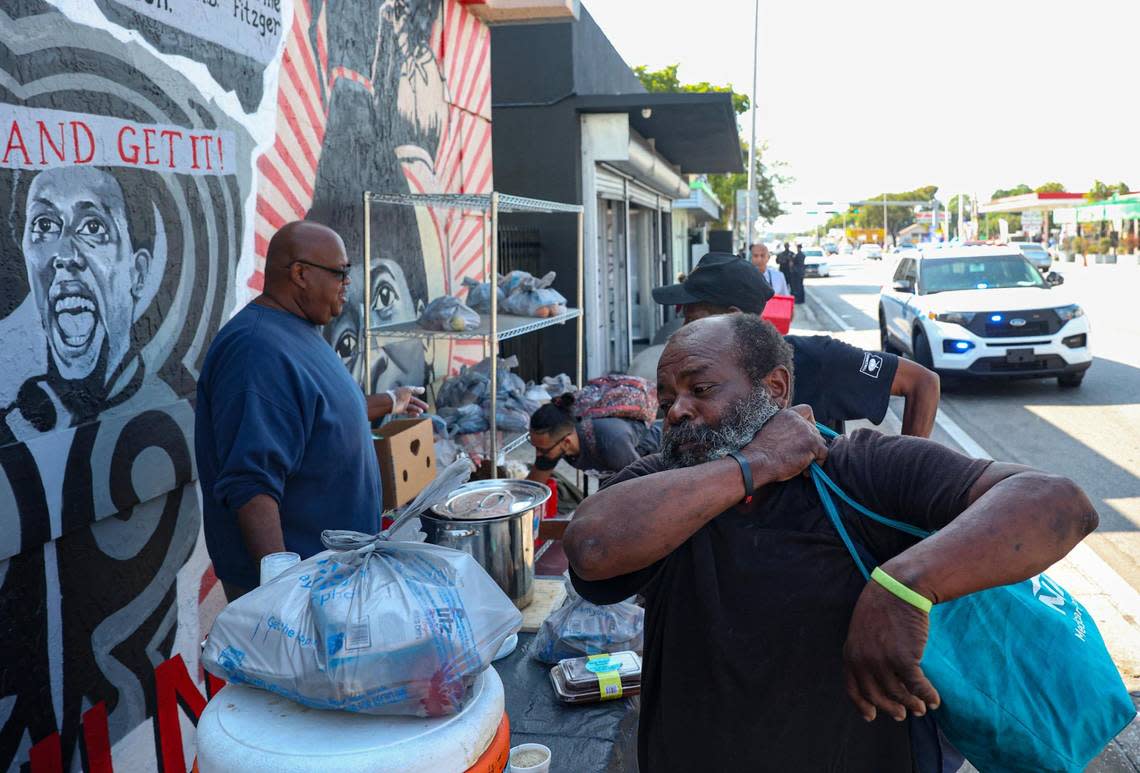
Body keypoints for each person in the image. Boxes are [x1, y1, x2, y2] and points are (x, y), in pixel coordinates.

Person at [564, 313, 1097, 772]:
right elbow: (591, 550)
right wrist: (756, 464)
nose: (676, 411)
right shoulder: (660, 481)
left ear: (774, 388)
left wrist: (904, 587)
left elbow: (1056, 503)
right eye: (667, 398)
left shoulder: (858, 467)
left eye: (700, 390)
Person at [195, 221, 428, 600]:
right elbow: (251, 486)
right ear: (301, 274)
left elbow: (319, 418)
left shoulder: (298, 331)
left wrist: (391, 401)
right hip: (303, 591)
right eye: (340, 272)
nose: (347, 284)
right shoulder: (256, 351)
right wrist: (285, 594)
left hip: (333, 576)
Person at [651, 252, 940, 437]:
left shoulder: (816, 359)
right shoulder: (683, 379)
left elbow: (923, 382)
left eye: (694, 322)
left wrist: (908, 473)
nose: (685, 332)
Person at [525, 393, 662, 483]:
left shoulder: (611, 443)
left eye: (542, 450)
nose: (538, 454)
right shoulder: (553, 446)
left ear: (566, 442)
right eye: (535, 447)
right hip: (618, 473)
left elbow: (644, 486)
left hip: (665, 457)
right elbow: (533, 486)